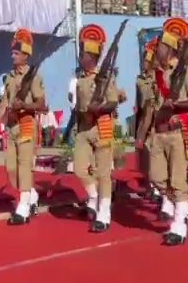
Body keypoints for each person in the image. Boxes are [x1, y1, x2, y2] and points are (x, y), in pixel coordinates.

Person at [150, 18, 188, 246]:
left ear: (169, 48)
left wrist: (176, 106)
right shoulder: (156, 74)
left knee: (178, 180)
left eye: (160, 45)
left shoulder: (185, 71)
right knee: (157, 178)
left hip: (177, 132)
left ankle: (179, 225)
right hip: (159, 133)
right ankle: (183, 204)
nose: (156, 49)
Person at [72, 24, 119, 233]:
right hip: (83, 128)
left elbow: (113, 102)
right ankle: (93, 196)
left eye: (83, 54)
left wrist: (98, 108)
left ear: (91, 56)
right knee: (80, 169)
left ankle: (104, 213)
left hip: (102, 126)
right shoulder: (80, 79)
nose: (80, 57)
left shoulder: (105, 77)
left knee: (103, 173)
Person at [0, 29, 46, 225]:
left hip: (26, 124)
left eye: (16, 53)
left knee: (25, 166)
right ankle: (32, 193)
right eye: (12, 53)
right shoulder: (9, 78)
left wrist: (24, 106)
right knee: (11, 168)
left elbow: (42, 104)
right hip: (12, 126)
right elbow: (5, 101)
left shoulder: (34, 77)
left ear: (26, 55)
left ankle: (23, 206)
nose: (13, 56)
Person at [135, 37, 158, 201]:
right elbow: (139, 104)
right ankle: (150, 186)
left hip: (155, 121)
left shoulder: (156, 79)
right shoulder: (139, 80)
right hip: (143, 118)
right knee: (143, 158)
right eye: (143, 60)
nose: (144, 63)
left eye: (147, 60)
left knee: (153, 156)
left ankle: (157, 188)